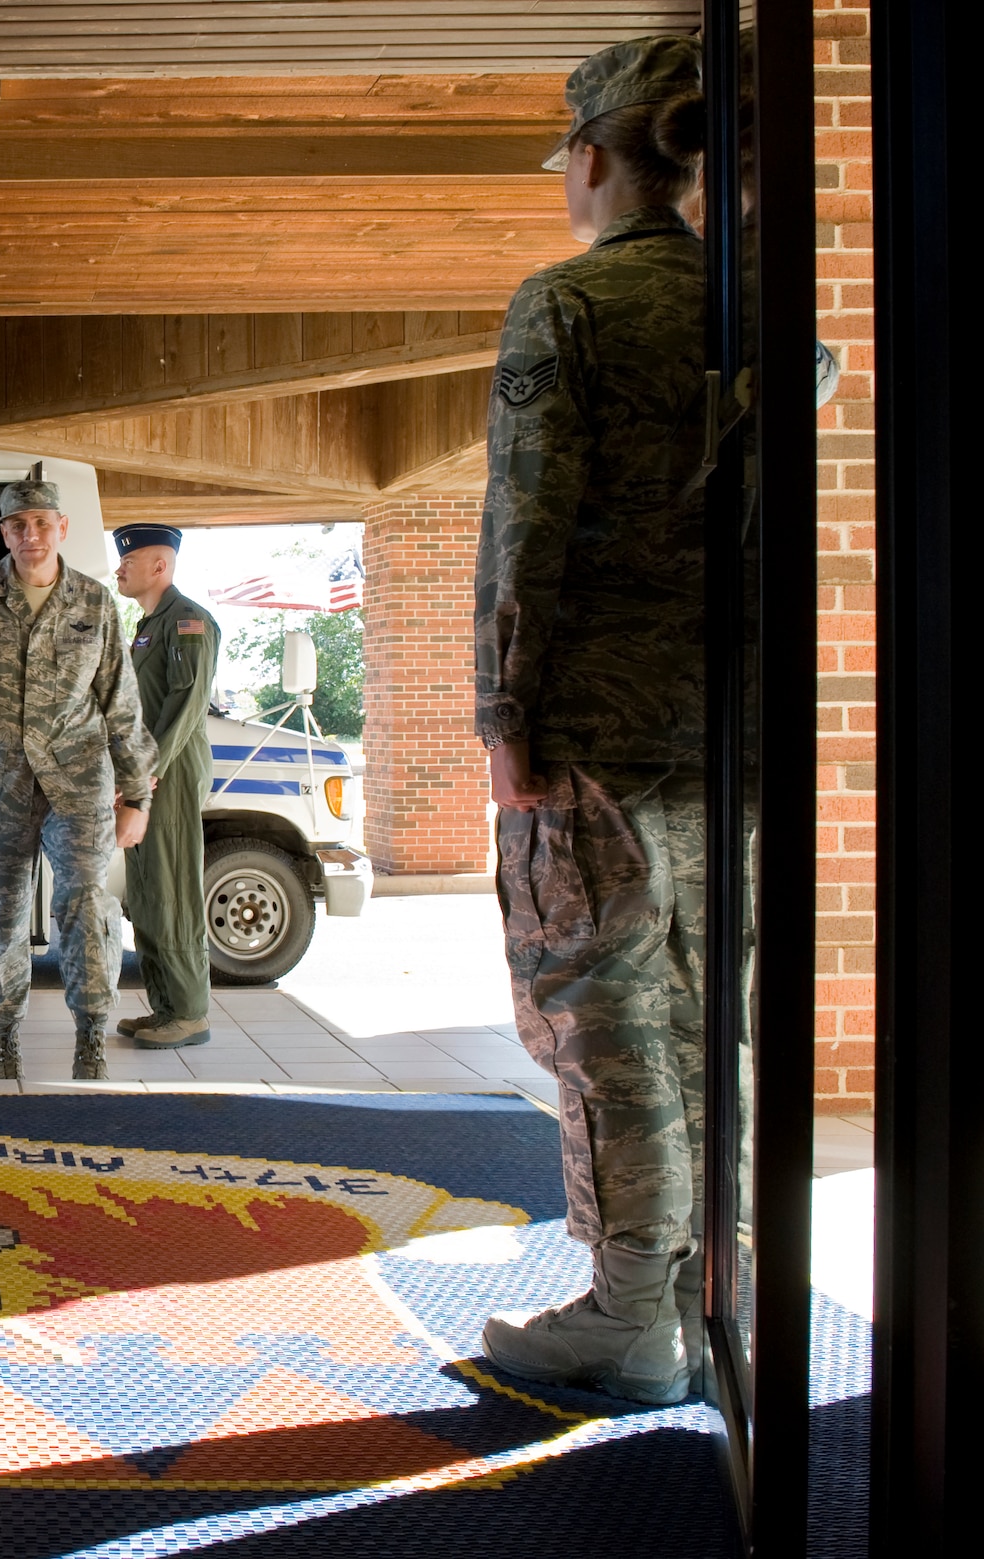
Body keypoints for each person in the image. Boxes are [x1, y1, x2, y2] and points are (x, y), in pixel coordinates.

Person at [471, 35, 709, 1406]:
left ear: (591, 158)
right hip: (725, 736)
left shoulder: (568, 305)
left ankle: (627, 1314)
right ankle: (699, 1296)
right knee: (708, 1010)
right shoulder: (756, 313)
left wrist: (505, 716)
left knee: (602, 1016)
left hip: (594, 739)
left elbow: (528, 527)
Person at [0, 480, 157, 1080]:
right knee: (2, 916)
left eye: (41, 523)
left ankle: (90, 1037)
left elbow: (121, 703)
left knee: (86, 905)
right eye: (17, 525)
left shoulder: (93, 601)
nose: (30, 534)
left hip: (78, 781)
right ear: (3, 532)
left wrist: (137, 796)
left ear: (62, 528)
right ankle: (5, 1039)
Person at [112, 524, 222, 1049]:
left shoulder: (187, 621)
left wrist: (146, 769)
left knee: (172, 888)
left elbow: (186, 704)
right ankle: (165, 1008)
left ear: (159, 566)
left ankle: (189, 1012)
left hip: (169, 773)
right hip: (149, 770)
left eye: (128, 561)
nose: (119, 569)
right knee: (148, 891)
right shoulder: (149, 625)